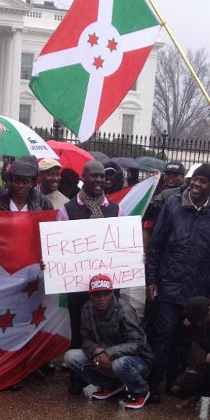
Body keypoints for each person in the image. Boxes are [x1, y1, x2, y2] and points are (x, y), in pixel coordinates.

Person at [145, 164, 210, 402]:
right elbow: (157, 246)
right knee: (163, 337)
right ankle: (153, 385)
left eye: (202, 181)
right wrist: (152, 279)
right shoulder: (172, 206)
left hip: (197, 293)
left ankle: (175, 383)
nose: (196, 185)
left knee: (184, 341)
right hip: (169, 286)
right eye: (194, 180)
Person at [57, 160, 122, 394]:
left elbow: (122, 245)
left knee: (110, 332)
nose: (99, 180)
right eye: (94, 176)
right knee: (79, 331)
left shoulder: (115, 209)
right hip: (79, 287)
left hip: (107, 288)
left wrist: (134, 256)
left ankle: (110, 380)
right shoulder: (68, 210)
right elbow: (59, 247)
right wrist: (51, 260)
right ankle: (78, 378)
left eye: (102, 176)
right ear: (84, 177)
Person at [64, 274, 154, 409]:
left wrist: (109, 353)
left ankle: (140, 391)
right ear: (90, 296)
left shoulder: (125, 310)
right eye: (97, 295)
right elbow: (85, 337)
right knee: (70, 357)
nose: (102, 299)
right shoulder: (86, 308)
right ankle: (111, 385)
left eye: (106, 294)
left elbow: (137, 342)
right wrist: (95, 350)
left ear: (112, 293)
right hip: (104, 355)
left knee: (119, 364)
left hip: (136, 360)